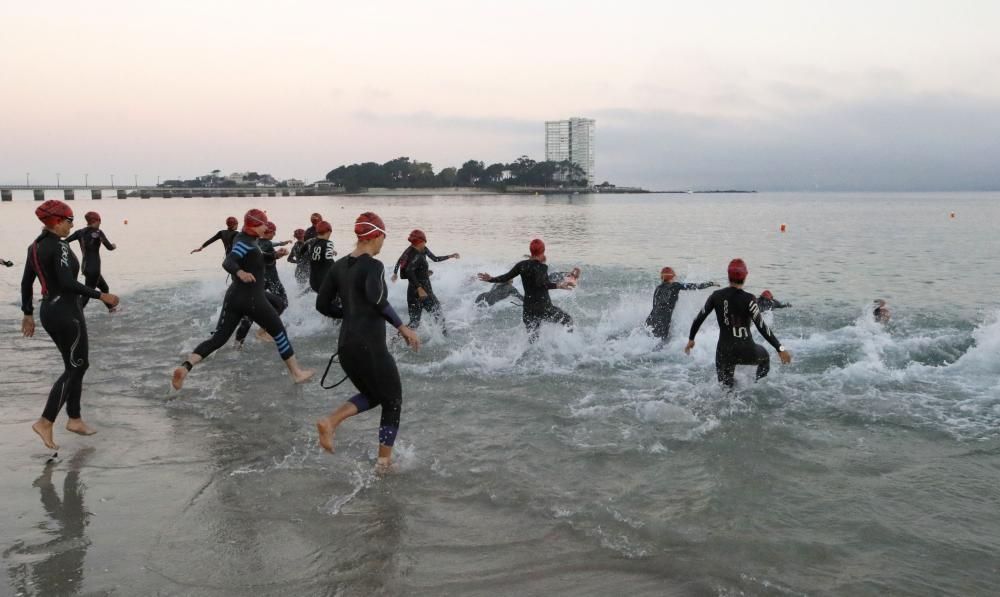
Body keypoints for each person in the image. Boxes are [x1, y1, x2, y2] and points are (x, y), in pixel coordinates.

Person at [314, 212, 420, 470]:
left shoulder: (338, 266)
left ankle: (332, 422)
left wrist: (349, 312)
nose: (383, 243)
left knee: (375, 394)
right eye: (383, 237)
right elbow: (376, 299)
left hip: (346, 347)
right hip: (368, 346)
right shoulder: (374, 265)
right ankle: (383, 463)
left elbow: (322, 304)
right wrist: (402, 326)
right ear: (377, 235)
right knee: (393, 399)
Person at [172, 209, 314, 390]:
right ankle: (297, 373)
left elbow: (255, 257)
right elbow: (228, 262)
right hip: (252, 298)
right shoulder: (245, 243)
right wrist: (240, 272)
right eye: (264, 224)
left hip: (234, 297)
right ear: (255, 225)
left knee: (218, 339)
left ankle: (185, 367)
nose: (266, 227)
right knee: (279, 332)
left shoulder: (244, 238)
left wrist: (274, 255)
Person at [20, 200, 120, 450]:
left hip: (49, 311)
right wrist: (101, 295)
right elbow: (66, 282)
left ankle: (74, 419)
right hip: (66, 312)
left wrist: (28, 314)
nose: (72, 225)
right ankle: (46, 421)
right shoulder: (60, 247)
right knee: (76, 367)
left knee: (75, 365)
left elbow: (25, 283)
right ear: (56, 221)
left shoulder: (35, 246)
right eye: (69, 220)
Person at [685, 259, 792, 388]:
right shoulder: (750, 299)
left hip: (724, 352)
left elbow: (699, 318)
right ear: (745, 276)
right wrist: (780, 349)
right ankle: (756, 385)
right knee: (765, 358)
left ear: (728, 275)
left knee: (726, 389)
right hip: (747, 350)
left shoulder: (716, 295)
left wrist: (691, 339)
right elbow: (762, 327)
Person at [477, 239, 574, 342]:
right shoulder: (542, 267)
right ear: (543, 251)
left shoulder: (521, 265)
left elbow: (506, 277)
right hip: (544, 308)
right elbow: (541, 284)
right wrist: (559, 285)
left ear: (531, 251)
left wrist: (491, 279)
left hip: (528, 310)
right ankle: (568, 346)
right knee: (568, 321)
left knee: (533, 340)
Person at [234, 221, 290, 348]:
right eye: (273, 231)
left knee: (251, 310)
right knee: (283, 302)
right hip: (270, 279)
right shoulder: (266, 243)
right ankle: (263, 330)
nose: (275, 234)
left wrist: (277, 254)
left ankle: (238, 342)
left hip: (257, 280)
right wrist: (277, 254)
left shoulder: (254, 242)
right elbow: (266, 256)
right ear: (267, 232)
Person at [391, 229, 460, 332]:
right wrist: (419, 287)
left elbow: (435, 259)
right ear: (421, 241)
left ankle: (393, 342)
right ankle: (445, 342)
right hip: (423, 290)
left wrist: (450, 256)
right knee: (439, 317)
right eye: (424, 241)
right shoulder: (415, 254)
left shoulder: (420, 250)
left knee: (414, 323)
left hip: (412, 292)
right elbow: (408, 270)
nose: (425, 243)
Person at [645, 267, 718, 341]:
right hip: (663, 321)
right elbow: (695, 286)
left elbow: (654, 306)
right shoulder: (675, 285)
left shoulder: (658, 288)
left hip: (650, 320)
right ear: (673, 276)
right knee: (661, 346)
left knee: (651, 344)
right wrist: (711, 283)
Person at [64, 211, 117, 311]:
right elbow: (109, 247)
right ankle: (75, 313)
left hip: (85, 267)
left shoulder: (79, 232)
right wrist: (113, 246)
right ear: (97, 221)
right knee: (88, 293)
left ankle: (111, 308)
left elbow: (64, 242)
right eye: (100, 221)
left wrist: (69, 255)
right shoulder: (98, 232)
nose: (100, 224)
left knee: (104, 288)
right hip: (94, 268)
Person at [307, 221, 337, 292]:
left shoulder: (311, 242)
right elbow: (330, 262)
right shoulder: (329, 243)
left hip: (313, 281)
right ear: (329, 231)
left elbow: (303, 250)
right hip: (323, 281)